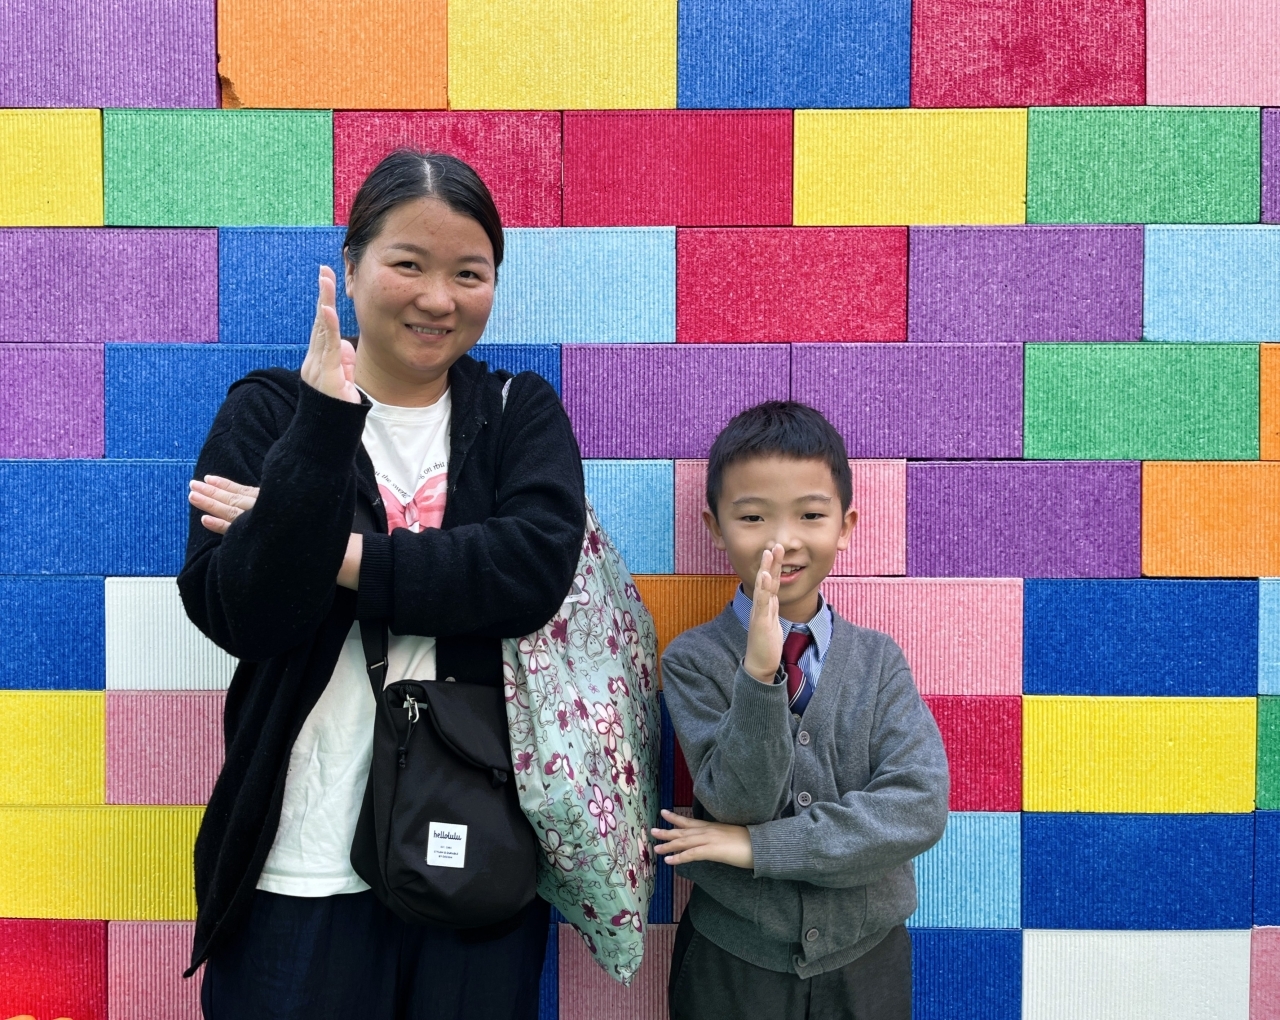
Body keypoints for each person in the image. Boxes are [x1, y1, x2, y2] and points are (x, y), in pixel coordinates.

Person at [177, 150, 586, 1019]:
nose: (438, 298)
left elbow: (527, 573)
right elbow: (242, 612)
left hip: (476, 848)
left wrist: (330, 550)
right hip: (300, 859)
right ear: (354, 265)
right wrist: (321, 430)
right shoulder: (271, 412)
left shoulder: (517, 412)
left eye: (469, 273)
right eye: (409, 264)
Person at [651, 401, 949, 1020]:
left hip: (866, 959)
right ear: (715, 528)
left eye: (810, 515)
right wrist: (760, 675)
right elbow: (738, 802)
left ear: (845, 525)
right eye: (753, 517)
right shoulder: (693, 660)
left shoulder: (878, 661)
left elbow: (916, 808)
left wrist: (755, 849)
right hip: (733, 958)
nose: (782, 541)